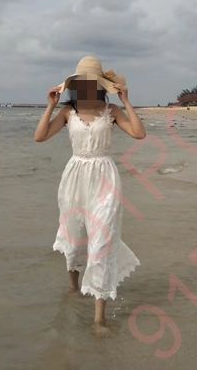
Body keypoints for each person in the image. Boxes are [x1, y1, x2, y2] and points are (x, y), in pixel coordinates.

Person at [34, 55, 145, 330]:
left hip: (105, 178)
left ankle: (99, 318)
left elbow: (139, 134)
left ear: (98, 84)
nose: (85, 86)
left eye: (90, 81)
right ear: (75, 85)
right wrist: (50, 106)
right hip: (75, 178)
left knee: (102, 243)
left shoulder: (111, 110)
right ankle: (73, 289)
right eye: (81, 81)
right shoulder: (67, 112)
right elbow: (40, 137)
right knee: (74, 238)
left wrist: (126, 101)